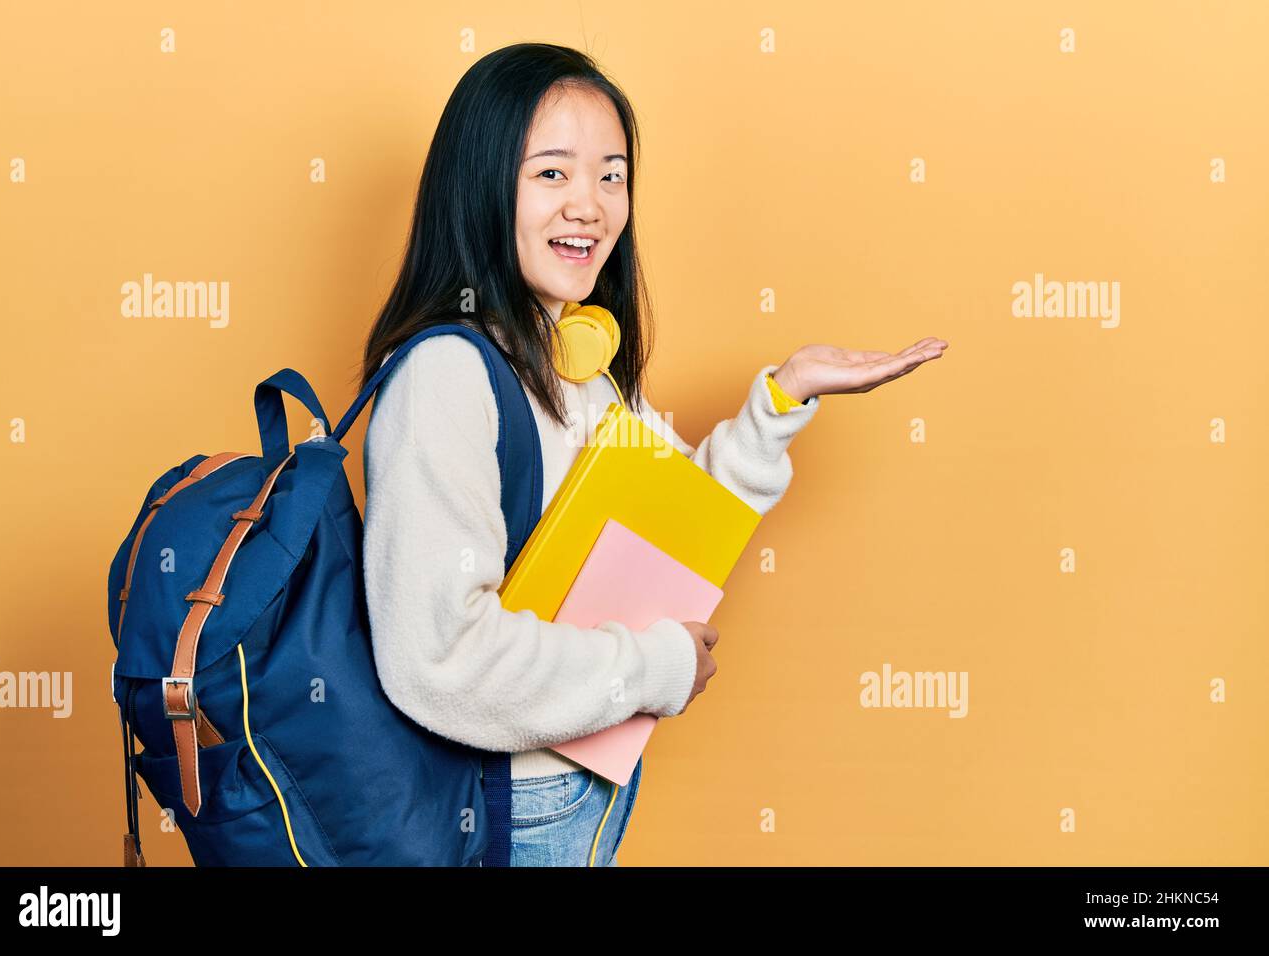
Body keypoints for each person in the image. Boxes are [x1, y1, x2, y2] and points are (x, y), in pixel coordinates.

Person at [357, 42, 947, 867]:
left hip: (580, 780)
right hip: (504, 805)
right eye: (552, 174)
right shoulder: (446, 376)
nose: (591, 206)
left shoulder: (575, 358)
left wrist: (781, 398)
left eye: (612, 174)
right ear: (481, 185)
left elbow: (672, 522)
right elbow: (438, 659)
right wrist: (656, 667)